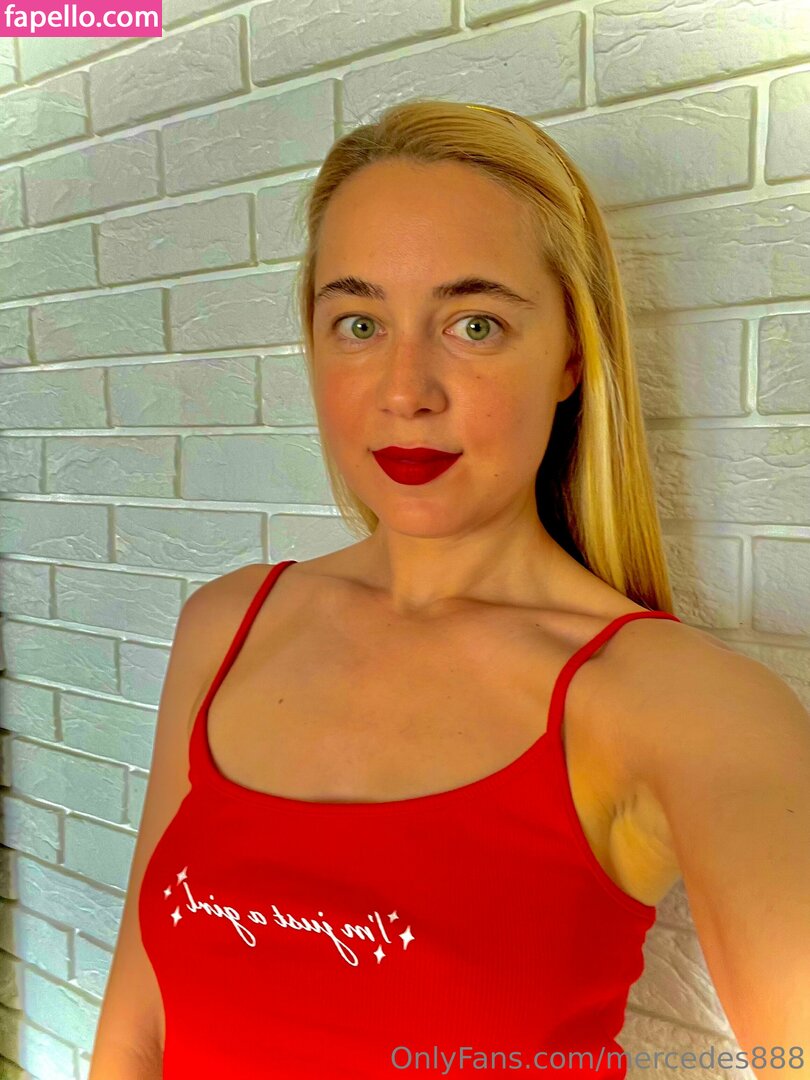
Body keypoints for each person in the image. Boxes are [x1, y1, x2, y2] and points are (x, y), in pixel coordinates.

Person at [90, 99, 810, 1079]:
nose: (405, 391)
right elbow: (136, 1028)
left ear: (571, 355)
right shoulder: (225, 627)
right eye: (358, 323)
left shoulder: (679, 704)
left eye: (475, 324)